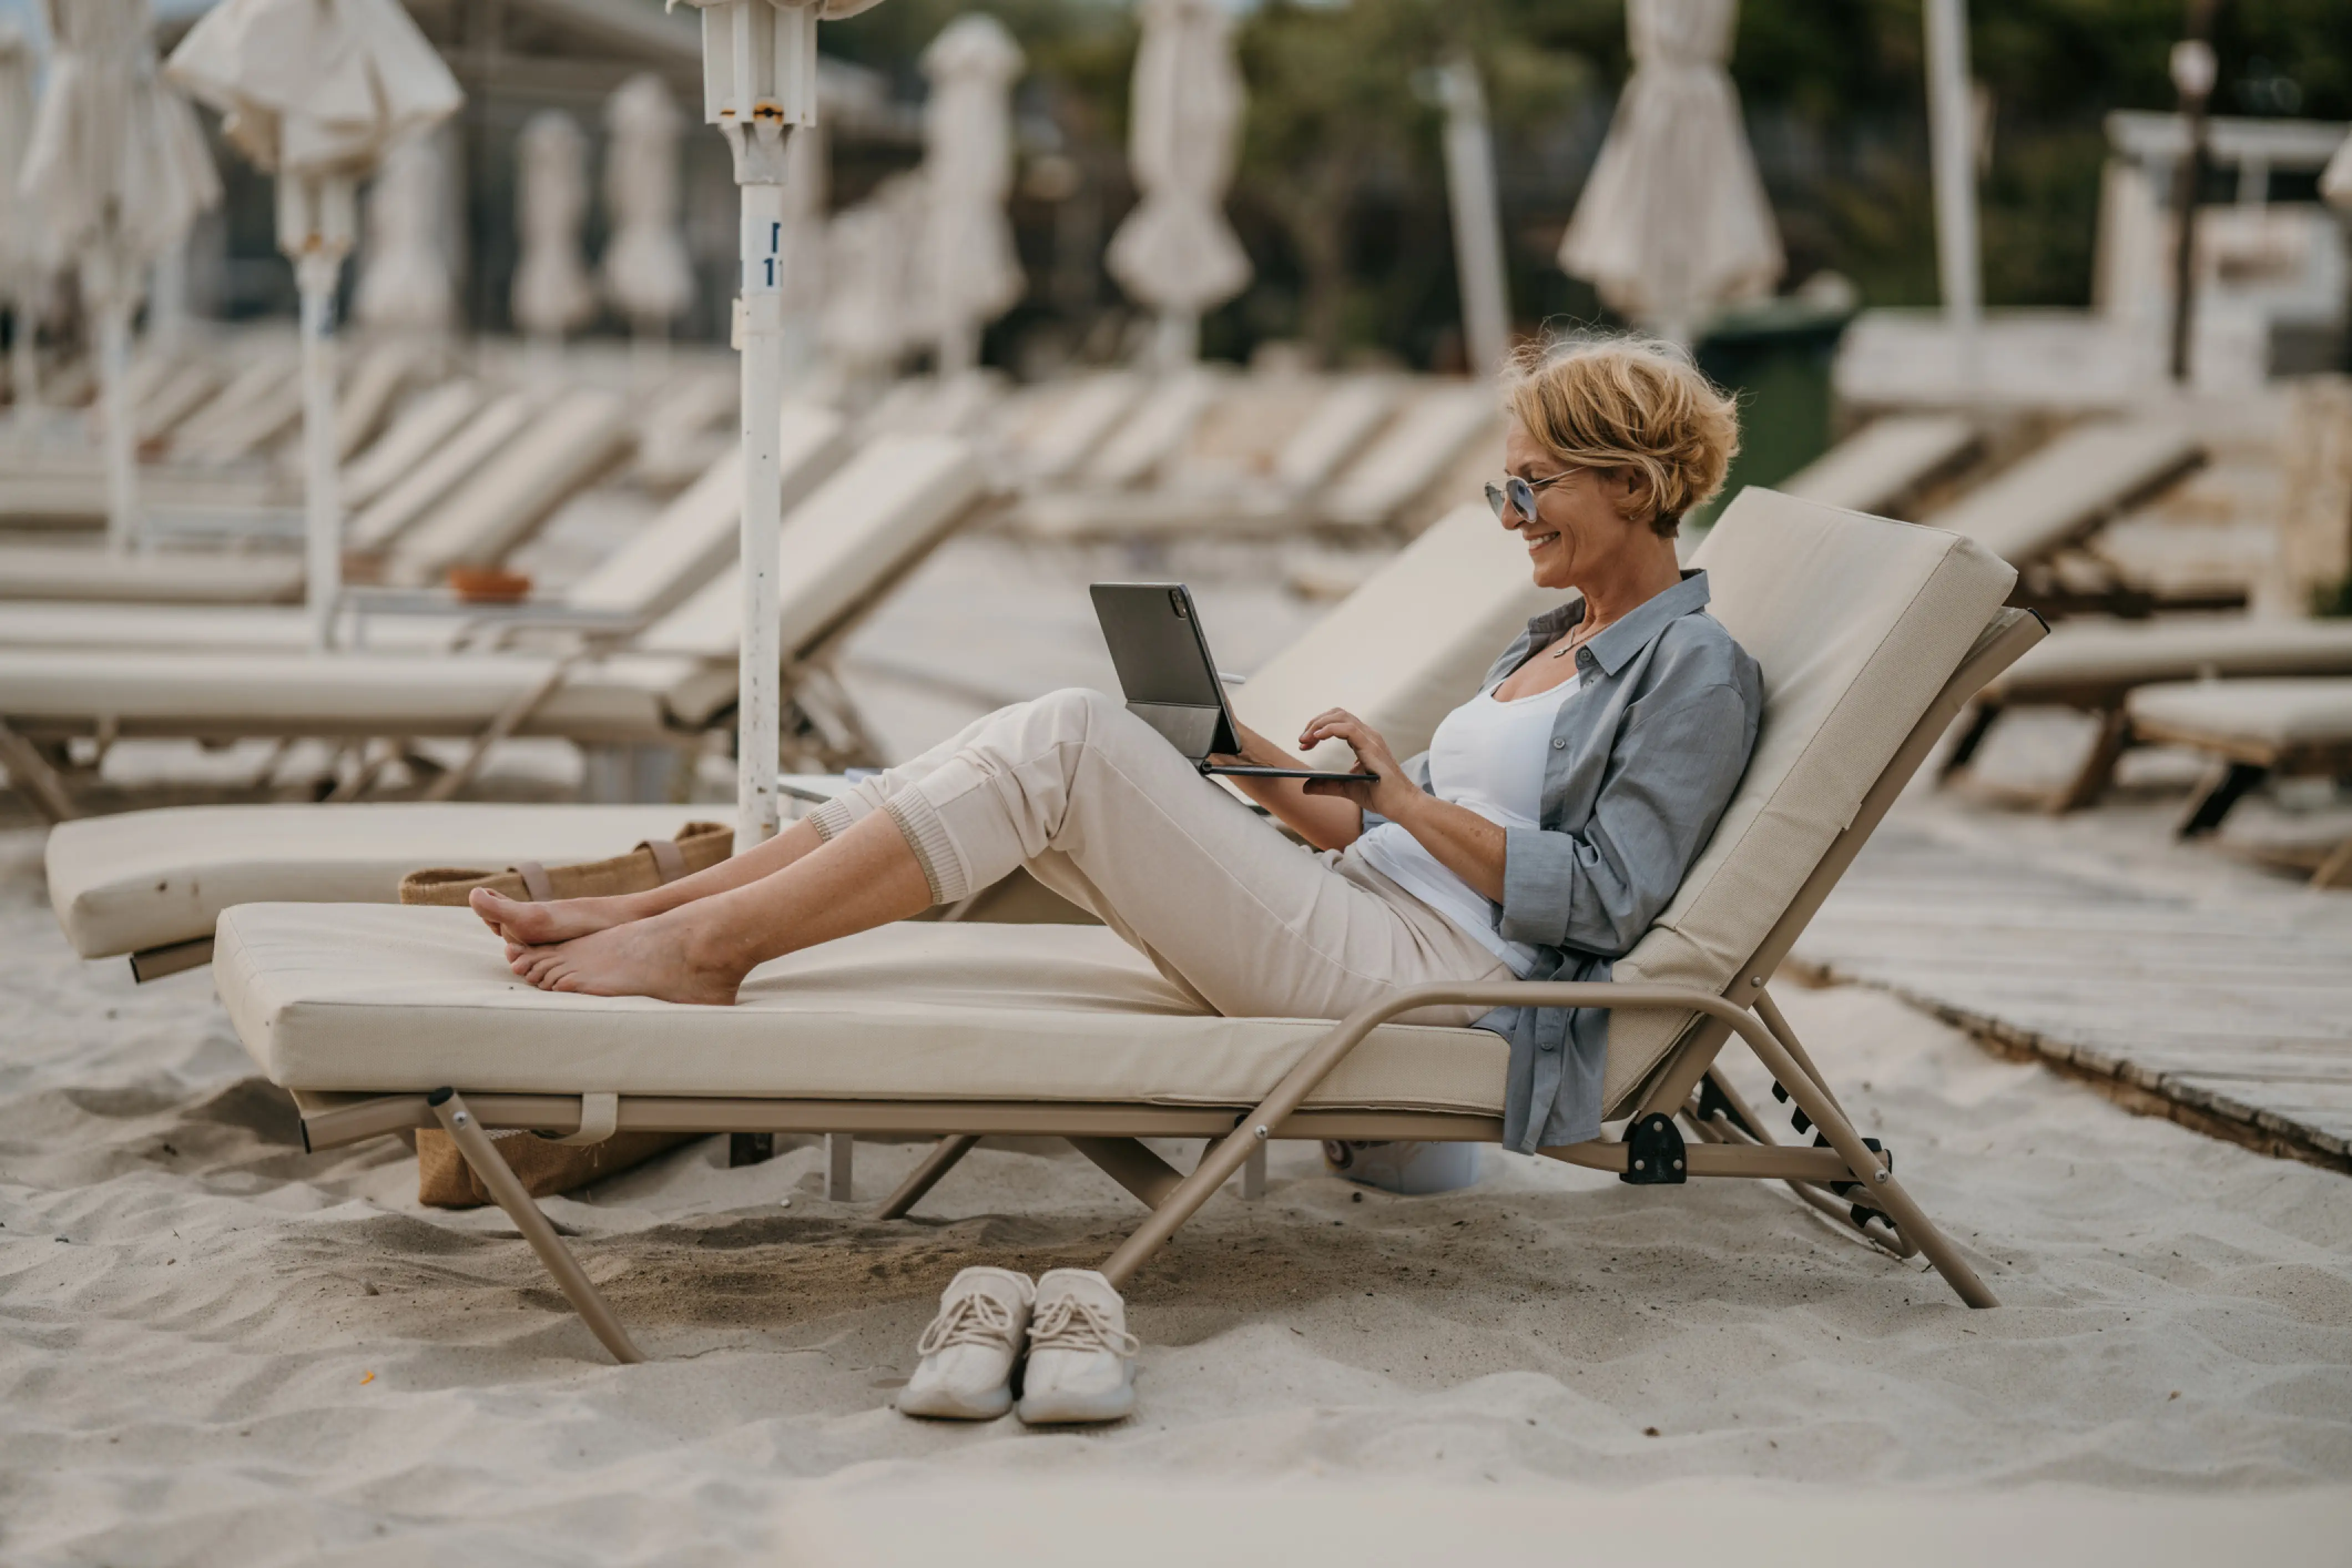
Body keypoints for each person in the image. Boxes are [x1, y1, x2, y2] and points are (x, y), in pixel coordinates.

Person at [474, 334, 1763, 1160]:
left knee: (1063, 740)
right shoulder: (1548, 637)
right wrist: (1227, 747)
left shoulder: (1694, 670)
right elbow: (1378, 828)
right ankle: (669, 910)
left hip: (1453, 990)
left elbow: (1602, 899)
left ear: (1634, 487)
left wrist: (1405, 810)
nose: (1509, 515)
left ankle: (703, 949)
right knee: (1043, 733)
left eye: (1529, 487)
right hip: (1363, 918)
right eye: (1504, 488)